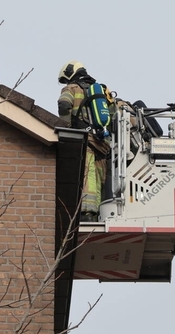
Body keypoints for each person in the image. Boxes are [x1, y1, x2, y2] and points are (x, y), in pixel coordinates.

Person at [57, 61, 107, 222]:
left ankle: (86, 213)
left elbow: (64, 104)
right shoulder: (102, 91)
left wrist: (66, 127)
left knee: (87, 175)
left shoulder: (71, 88)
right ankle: (97, 214)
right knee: (99, 179)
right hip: (103, 143)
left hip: (86, 140)